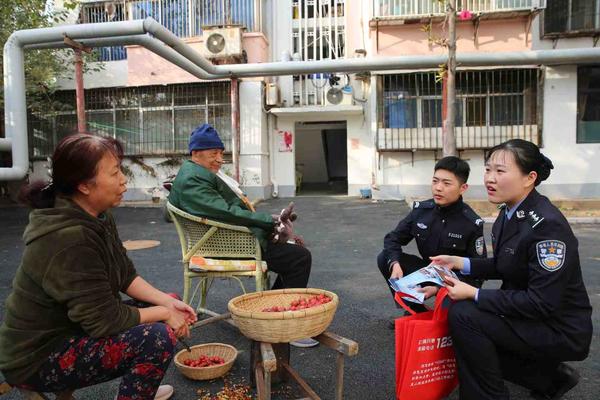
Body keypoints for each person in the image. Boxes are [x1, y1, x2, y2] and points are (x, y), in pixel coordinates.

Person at [0, 134, 197, 400]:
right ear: (83, 185)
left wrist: (168, 305)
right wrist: (163, 313)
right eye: (115, 172)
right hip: (36, 356)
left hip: (72, 327)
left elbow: (125, 274)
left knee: (168, 305)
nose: (123, 180)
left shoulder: (97, 215)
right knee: (156, 337)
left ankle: (141, 386)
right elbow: (104, 320)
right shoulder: (68, 238)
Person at [432, 139, 593, 400]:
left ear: (529, 178)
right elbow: (507, 264)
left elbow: (541, 302)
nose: (490, 179)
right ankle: (548, 378)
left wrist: (473, 293)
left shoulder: (546, 226)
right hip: (531, 317)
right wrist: (459, 262)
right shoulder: (511, 212)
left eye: (500, 171)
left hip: (558, 328)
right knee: (462, 316)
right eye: (487, 170)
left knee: (465, 315)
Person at [168, 124, 316, 348]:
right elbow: (225, 212)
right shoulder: (193, 179)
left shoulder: (196, 173)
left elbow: (224, 211)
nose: (219, 159)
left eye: (221, 154)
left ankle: (273, 313)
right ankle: (282, 324)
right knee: (299, 258)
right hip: (228, 245)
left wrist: (271, 221)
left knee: (294, 251)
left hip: (224, 238)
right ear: (195, 153)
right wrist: (270, 221)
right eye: (213, 154)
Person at [377, 156, 487, 317]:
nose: (438, 188)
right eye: (435, 181)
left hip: (455, 280)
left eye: (446, 183)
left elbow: (479, 271)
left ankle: (450, 312)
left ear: (463, 188)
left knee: (450, 324)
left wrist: (439, 289)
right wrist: (394, 264)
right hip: (427, 271)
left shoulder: (471, 222)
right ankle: (415, 311)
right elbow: (392, 239)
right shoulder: (422, 211)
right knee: (385, 257)